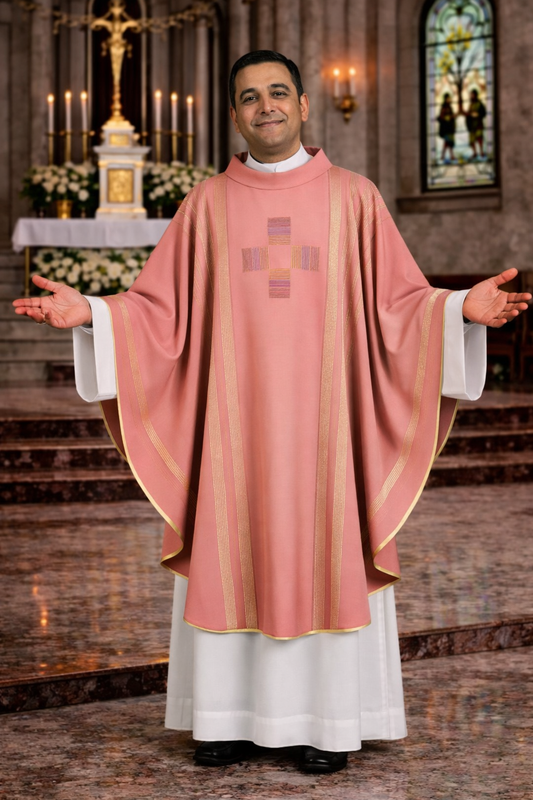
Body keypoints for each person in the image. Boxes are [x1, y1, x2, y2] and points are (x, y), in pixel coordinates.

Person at [13, 51, 531, 774]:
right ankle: (224, 720)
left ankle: (327, 724)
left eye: (278, 93)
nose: (265, 107)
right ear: (233, 115)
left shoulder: (354, 198)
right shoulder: (206, 205)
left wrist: (456, 310)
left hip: (329, 434)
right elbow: (157, 311)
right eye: (249, 97)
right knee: (232, 547)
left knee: (322, 547)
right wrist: (94, 313)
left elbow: (400, 305)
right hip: (235, 432)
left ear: (303, 105)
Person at [465, 88, 487, 160]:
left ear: (476, 95)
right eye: (471, 95)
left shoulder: (479, 104)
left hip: (478, 124)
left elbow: (483, 113)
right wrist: (468, 115)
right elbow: (469, 114)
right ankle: (475, 153)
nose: (471, 96)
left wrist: (477, 114)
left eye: (472, 95)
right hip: (472, 126)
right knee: (472, 140)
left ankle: (481, 151)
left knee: (479, 138)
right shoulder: (470, 105)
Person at [437, 92, 456, 162]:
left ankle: (447, 156)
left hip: (450, 128)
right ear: (445, 99)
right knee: (447, 142)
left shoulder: (449, 107)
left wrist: (452, 117)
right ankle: (445, 156)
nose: (449, 99)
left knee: (449, 142)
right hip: (446, 128)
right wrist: (449, 117)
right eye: (448, 98)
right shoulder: (444, 107)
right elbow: (441, 117)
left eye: (449, 98)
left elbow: (451, 116)